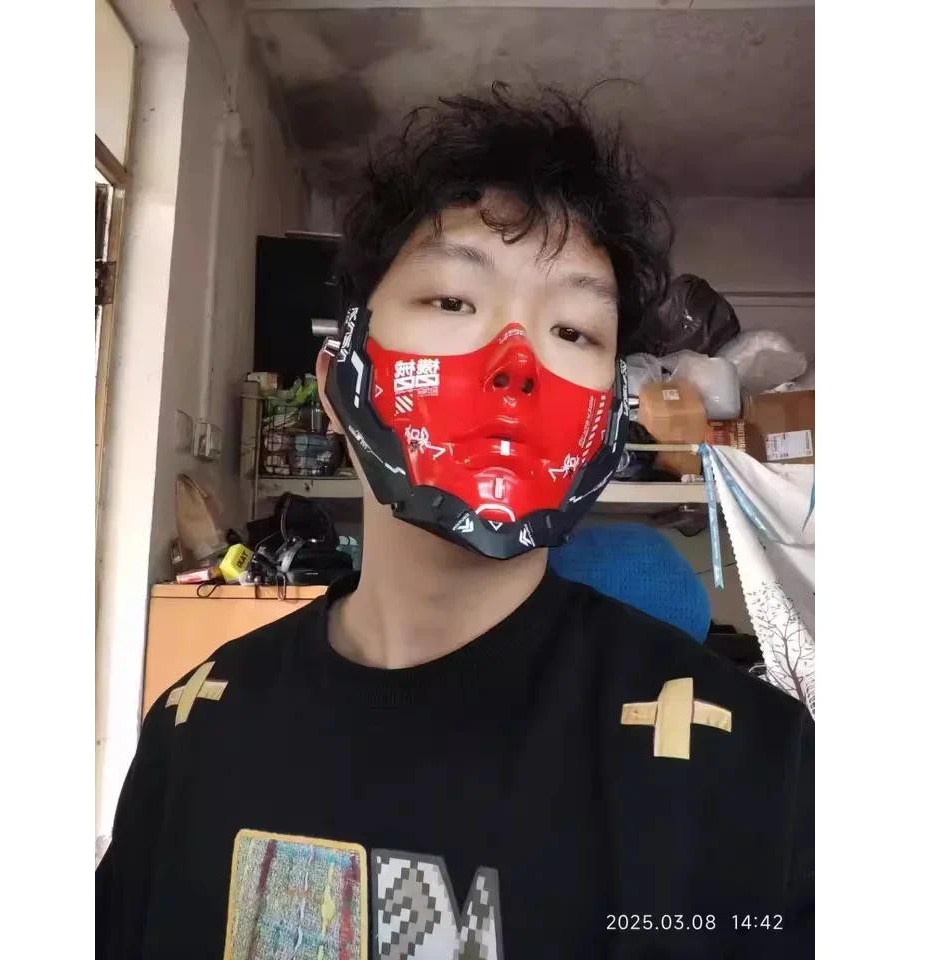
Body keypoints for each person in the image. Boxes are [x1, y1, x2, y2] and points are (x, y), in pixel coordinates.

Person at [96, 84, 814, 959]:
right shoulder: (196, 730)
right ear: (338, 384)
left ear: (607, 418)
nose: (517, 366)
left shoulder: (755, 777)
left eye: (575, 332)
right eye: (452, 303)